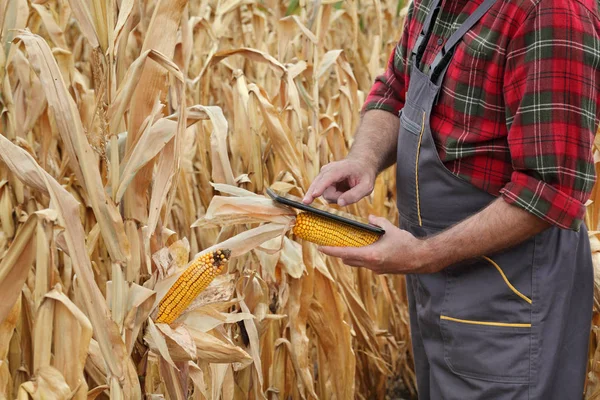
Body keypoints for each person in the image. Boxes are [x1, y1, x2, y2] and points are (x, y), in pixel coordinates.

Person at [302, 0, 600, 398]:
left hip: (512, 299)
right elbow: (396, 88)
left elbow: (549, 190)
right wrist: (364, 158)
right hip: (436, 278)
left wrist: (421, 256)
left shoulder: (551, 13)